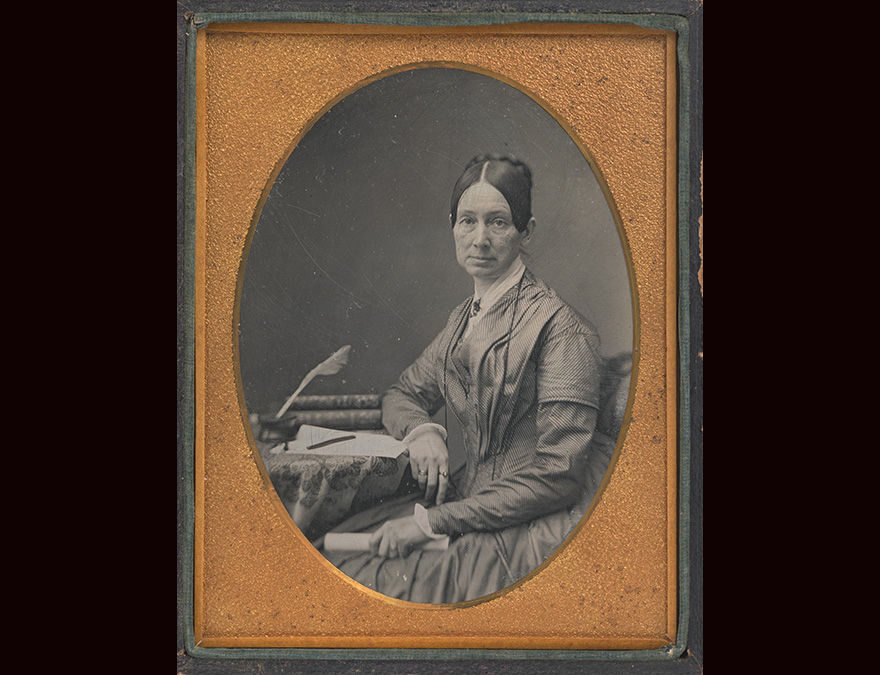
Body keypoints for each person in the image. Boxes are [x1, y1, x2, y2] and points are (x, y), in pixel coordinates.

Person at [322, 154, 615, 604]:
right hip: (469, 500)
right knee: (337, 555)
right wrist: (423, 432)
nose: (480, 239)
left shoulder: (562, 329)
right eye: (467, 221)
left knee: (380, 582)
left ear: (526, 231)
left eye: (498, 222)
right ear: (453, 228)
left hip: (531, 523)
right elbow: (402, 394)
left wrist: (430, 523)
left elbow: (557, 476)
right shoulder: (463, 320)